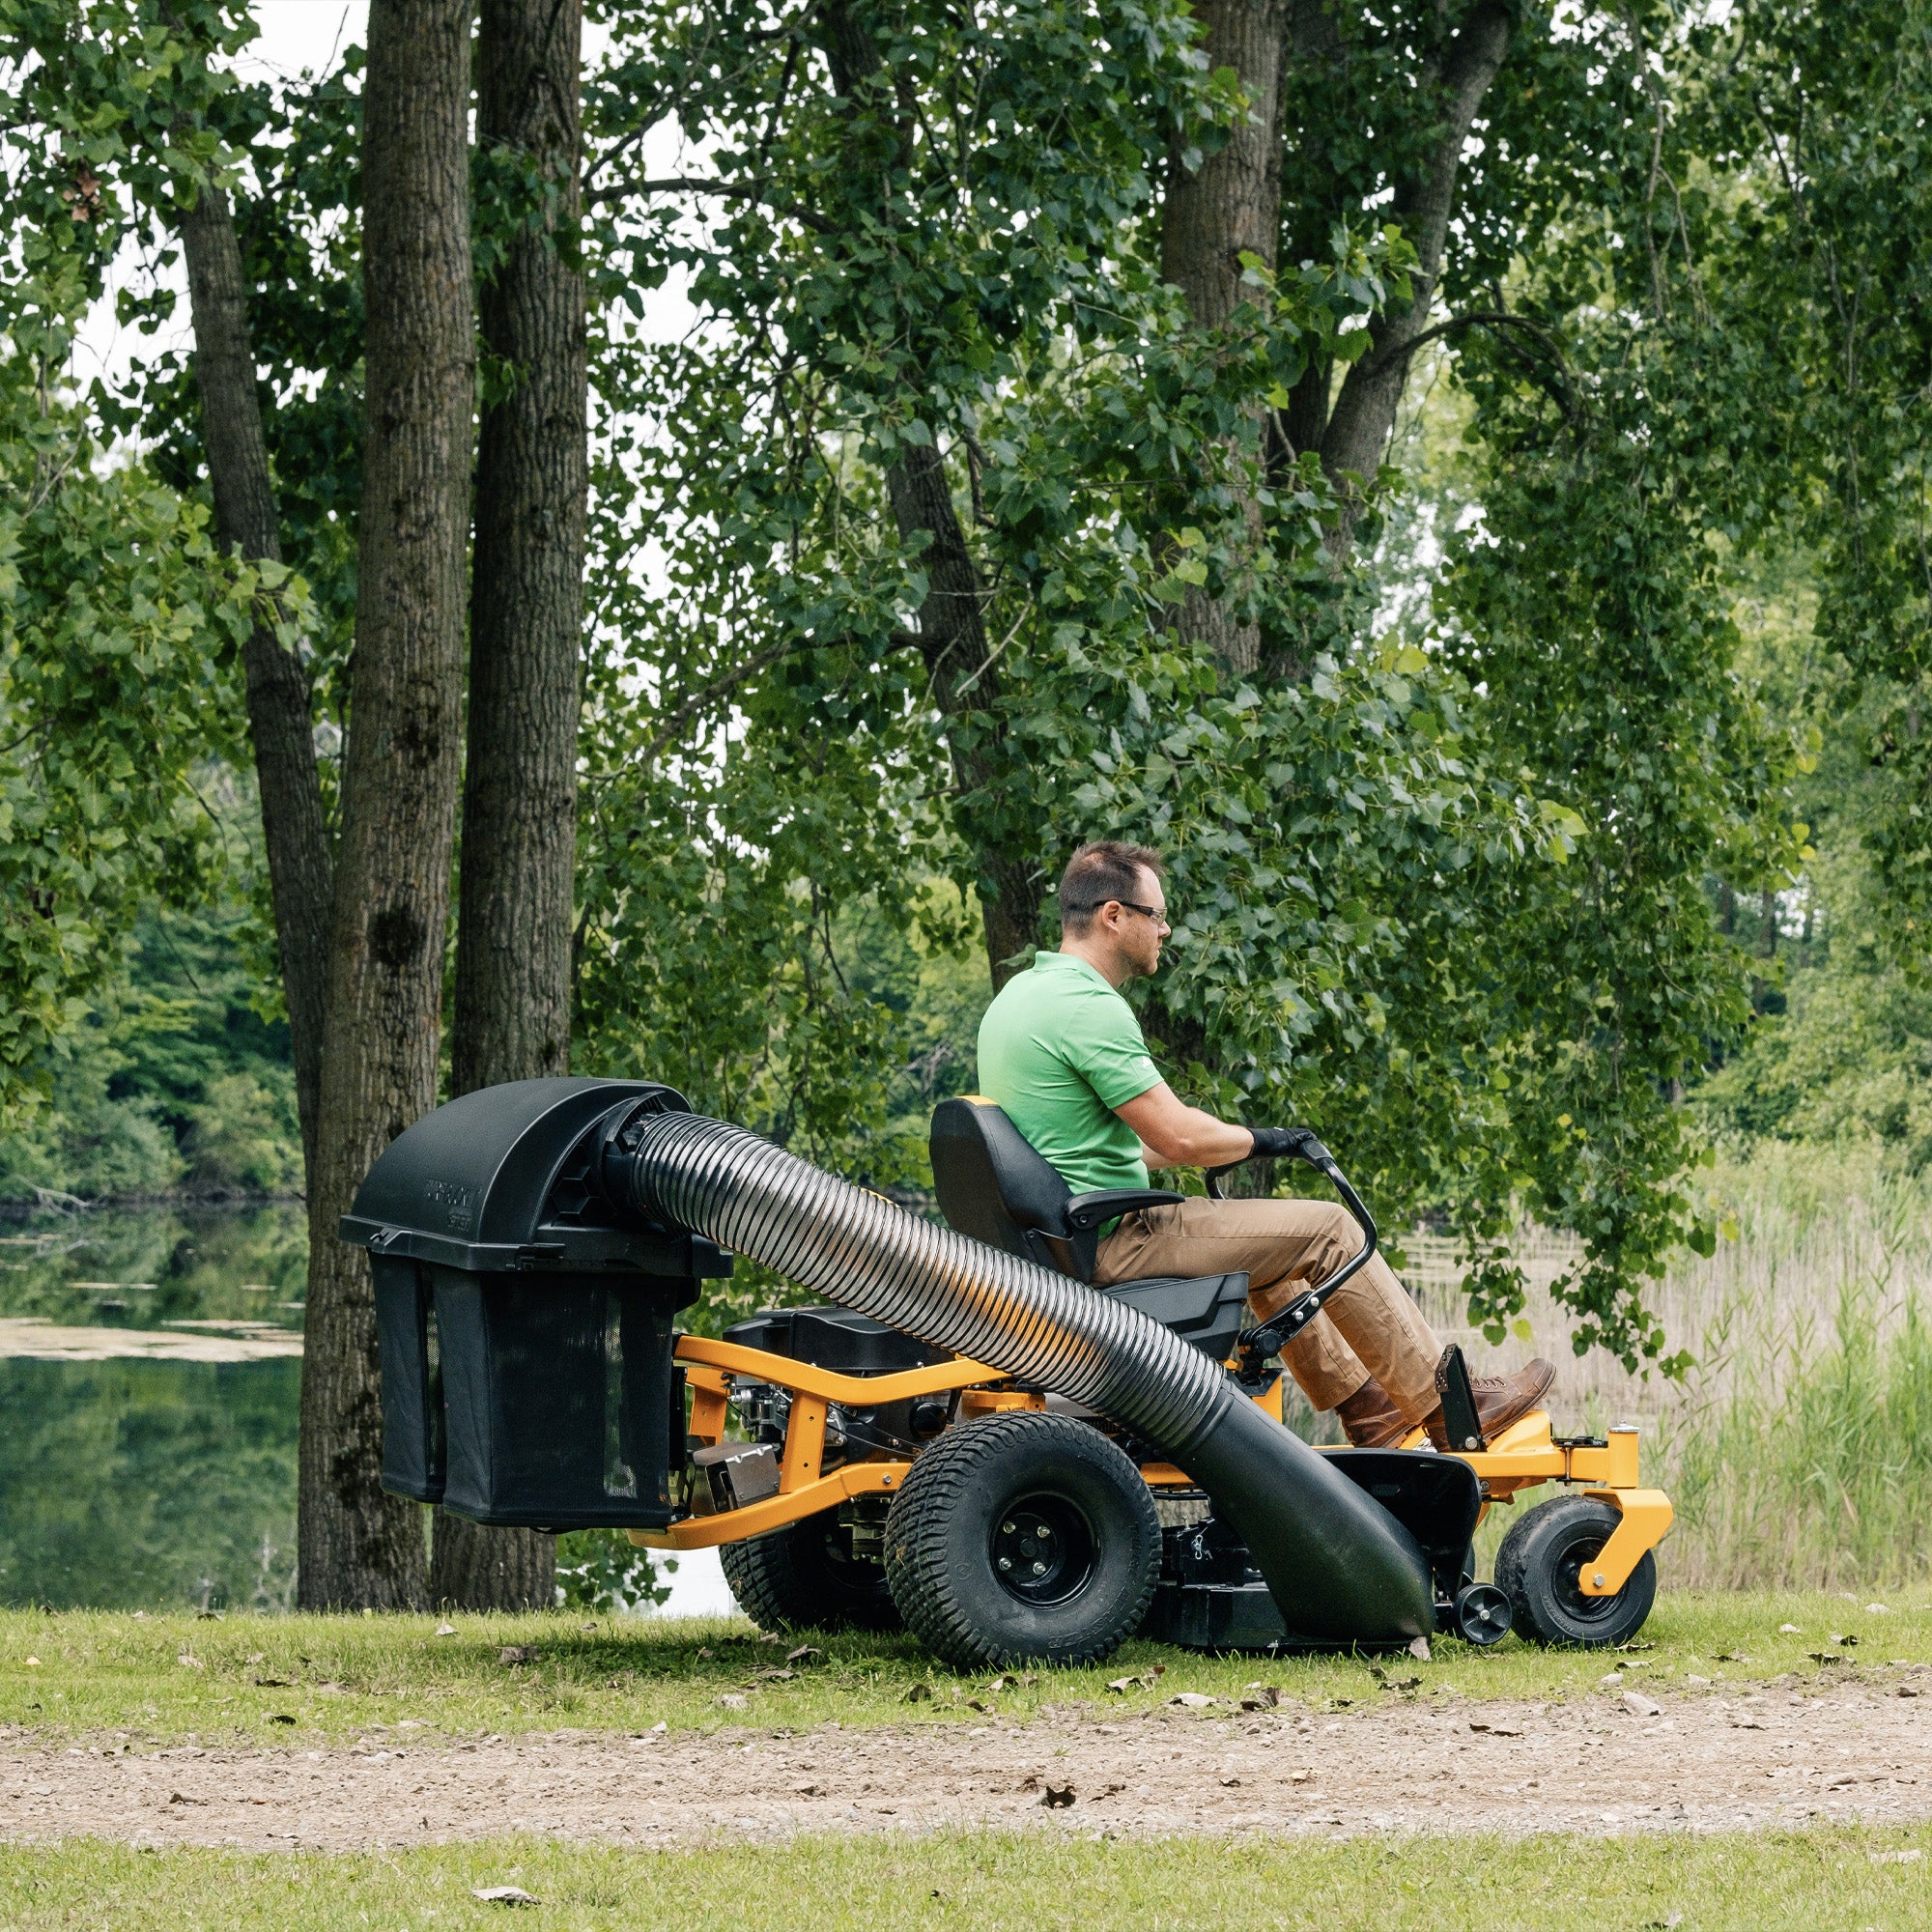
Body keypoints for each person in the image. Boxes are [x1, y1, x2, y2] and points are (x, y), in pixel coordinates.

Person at [976, 839, 1553, 1449]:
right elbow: (1178, 1134)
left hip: (1058, 1240)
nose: (1165, 931)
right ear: (1113, 916)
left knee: (1276, 1246)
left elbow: (1108, 1145)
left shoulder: (1019, 999)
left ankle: (1369, 1406)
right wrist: (1264, 1139)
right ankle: (1450, 1407)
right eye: (1157, 916)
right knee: (1329, 1228)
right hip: (1109, 1241)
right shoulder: (1087, 1007)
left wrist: (1220, 1145)